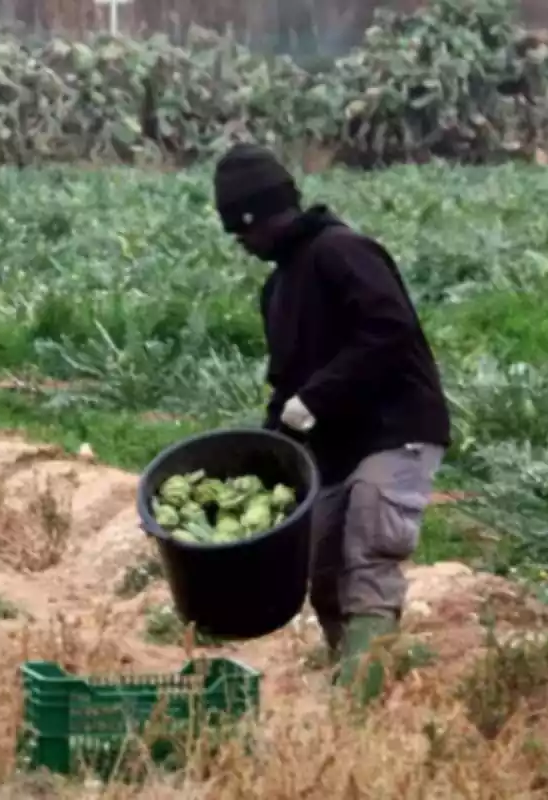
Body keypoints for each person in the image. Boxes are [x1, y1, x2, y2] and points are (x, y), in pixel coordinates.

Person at [212, 143, 452, 688]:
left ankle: (360, 707)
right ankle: (362, 679)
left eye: (242, 231)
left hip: (396, 429)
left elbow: (389, 331)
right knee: (322, 575)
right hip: (338, 447)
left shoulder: (342, 252)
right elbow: (287, 386)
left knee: (368, 550)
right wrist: (262, 452)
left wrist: (316, 399)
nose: (243, 245)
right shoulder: (278, 288)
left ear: (265, 215)